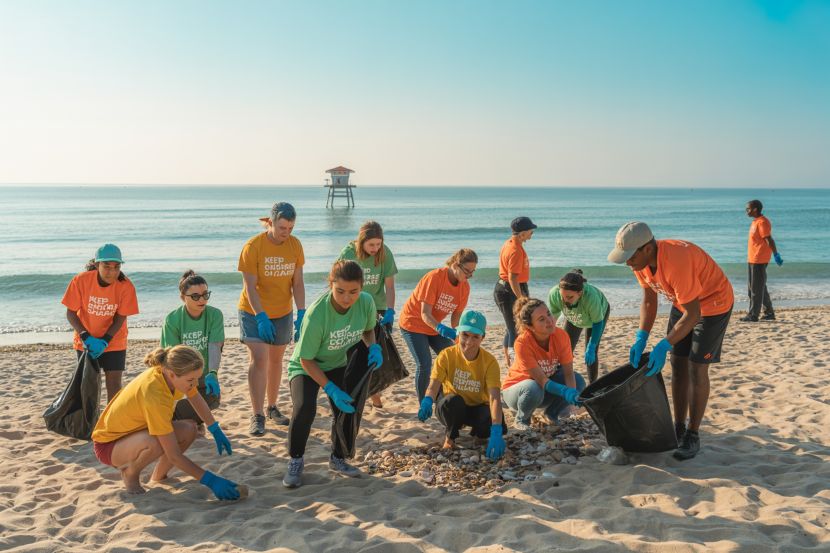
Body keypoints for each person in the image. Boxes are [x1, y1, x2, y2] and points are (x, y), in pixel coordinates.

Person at [608, 221, 733, 461]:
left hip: (712, 305)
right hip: (684, 303)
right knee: (677, 363)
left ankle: (692, 434)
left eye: (629, 256)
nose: (627, 261)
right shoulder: (640, 263)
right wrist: (641, 337)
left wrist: (663, 344)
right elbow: (648, 301)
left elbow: (694, 314)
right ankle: (678, 426)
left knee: (696, 367)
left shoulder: (676, 262)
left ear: (646, 248)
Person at [282, 260, 384, 489]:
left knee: (348, 408)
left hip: (337, 363)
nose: (347, 298)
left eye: (353, 292)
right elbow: (306, 359)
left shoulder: (366, 302)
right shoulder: (317, 314)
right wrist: (329, 388)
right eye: (340, 291)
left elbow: (368, 329)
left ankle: (338, 458)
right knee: (304, 408)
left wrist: (373, 346)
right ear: (331, 285)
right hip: (305, 367)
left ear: (361, 288)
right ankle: (296, 460)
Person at [91, 345, 239, 499]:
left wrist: (215, 429)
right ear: (172, 374)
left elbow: (195, 397)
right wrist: (211, 481)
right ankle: (130, 473)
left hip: (133, 434)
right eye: (191, 380)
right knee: (157, 441)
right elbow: (174, 455)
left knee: (190, 429)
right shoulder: (155, 393)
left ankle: (159, 476)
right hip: (109, 446)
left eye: (197, 378)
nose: (195, 384)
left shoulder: (171, 374)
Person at [237, 202, 306, 436]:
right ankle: (257, 415)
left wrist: (302, 312)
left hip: (282, 312)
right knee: (260, 358)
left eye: (291, 228)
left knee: (276, 360)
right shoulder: (253, 246)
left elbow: (297, 283)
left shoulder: (295, 246)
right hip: (253, 311)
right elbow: (249, 287)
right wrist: (261, 316)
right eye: (282, 227)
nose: (286, 232)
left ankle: (272, 407)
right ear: (272, 222)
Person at [416, 310, 507, 458]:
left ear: (482, 338)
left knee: (493, 422)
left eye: (475, 336)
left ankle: (477, 434)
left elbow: (495, 398)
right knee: (451, 401)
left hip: (476, 407)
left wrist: (496, 431)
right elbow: (434, 386)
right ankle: (450, 438)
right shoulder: (446, 355)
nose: (469, 342)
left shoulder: (490, 361)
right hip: (453, 407)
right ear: (458, 334)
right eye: (465, 335)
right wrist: (427, 400)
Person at [61, 244, 139, 403]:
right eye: (107, 266)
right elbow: (71, 313)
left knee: (115, 385)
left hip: (114, 341)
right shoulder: (81, 280)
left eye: (116, 267)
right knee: (89, 387)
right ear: (97, 265)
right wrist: (86, 337)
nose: (112, 271)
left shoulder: (125, 286)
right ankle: (91, 424)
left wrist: (105, 341)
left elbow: (120, 317)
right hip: (85, 342)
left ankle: (113, 425)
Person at [400, 249, 477, 400]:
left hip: (432, 326)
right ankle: (424, 404)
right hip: (413, 323)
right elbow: (425, 314)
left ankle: (448, 394)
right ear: (455, 265)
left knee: (454, 357)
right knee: (425, 364)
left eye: (473, 272)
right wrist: (441, 329)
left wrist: (457, 336)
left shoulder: (464, 287)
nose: (469, 275)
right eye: (467, 271)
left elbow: (456, 316)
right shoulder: (434, 278)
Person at [337, 220, 398, 408]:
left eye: (378, 244)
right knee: (353, 353)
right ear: (362, 241)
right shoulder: (348, 253)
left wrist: (390, 310)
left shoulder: (384, 252)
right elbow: (336, 284)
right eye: (371, 244)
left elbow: (389, 286)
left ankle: (375, 395)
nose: (375, 248)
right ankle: (359, 393)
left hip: (376, 308)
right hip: (352, 307)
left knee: (374, 353)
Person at [502, 297, 585, 432]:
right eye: (541, 319)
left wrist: (572, 400)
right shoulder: (522, 343)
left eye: (548, 314)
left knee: (579, 381)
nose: (550, 320)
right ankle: (522, 419)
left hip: (543, 390)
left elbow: (569, 373)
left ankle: (551, 414)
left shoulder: (561, 336)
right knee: (533, 387)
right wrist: (565, 391)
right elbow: (541, 380)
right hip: (518, 391)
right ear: (529, 326)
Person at [161, 270, 225, 424]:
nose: (201, 299)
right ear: (183, 297)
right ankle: (174, 418)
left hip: (202, 376)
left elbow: (214, 346)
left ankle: (194, 421)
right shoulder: (173, 319)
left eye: (205, 294)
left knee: (213, 399)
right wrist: (186, 384)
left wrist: (213, 373)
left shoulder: (215, 315)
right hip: (177, 375)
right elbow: (171, 358)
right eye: (195, 296)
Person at [548, 269, 610, 384]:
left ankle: (593, 385)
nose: (565, 301)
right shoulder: (555, 294)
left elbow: (598, 322)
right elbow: (552, 321)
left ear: (580, 293)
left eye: (570, 297)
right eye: (563, 296)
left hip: (596, 318)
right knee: (565, 349)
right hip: (574, 317)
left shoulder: (590, 297)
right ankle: (562, 382)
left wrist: (592, 346)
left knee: (591, 350)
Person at [494, 217, 537, 366]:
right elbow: (512, 278)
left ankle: (508, 360)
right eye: (530, 231)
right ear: (522, 233)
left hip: (509, 287)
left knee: (510, 327)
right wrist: (520, 298)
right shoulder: (515, 250)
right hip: (509, 290)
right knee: (515, 329)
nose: (532, 233)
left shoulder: (511, 243)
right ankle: (514, 362)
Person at [742, 199, 783, 322]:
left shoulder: (763, 222)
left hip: (759, 259)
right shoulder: (756, 222)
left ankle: (753, 315)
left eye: (748, 209)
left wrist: (776, 254)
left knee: (755, 289)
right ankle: (769, 313)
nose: (746, 211)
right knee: (760, 287)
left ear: (755, 209)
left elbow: (769, 239)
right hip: (753, 258)